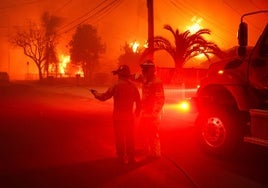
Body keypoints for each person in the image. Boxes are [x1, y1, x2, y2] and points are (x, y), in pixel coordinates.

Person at [91, 64, 141, 164]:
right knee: (130, 137)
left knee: (120, 137)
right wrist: (137, 111)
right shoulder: (133, 86)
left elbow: (104, 97)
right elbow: (138, 102)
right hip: (129, 117)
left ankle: (121, 157)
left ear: (119, 75)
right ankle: (131, 157)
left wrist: (95, 93)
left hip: (118, 117)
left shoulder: (116, 85)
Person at [134, 59, 165, 158]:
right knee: (143, 131)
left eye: (145, 69)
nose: (143, 71)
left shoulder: (157, 82)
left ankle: (155, 154)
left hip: (153, 113)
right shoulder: (145, 79)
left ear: (151, 70)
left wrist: (154, 113)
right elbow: (135, 77)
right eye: (143, 69)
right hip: (145, 111)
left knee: (153, 133)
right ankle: (145, 150)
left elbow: (160, 99)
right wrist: (123, 74)